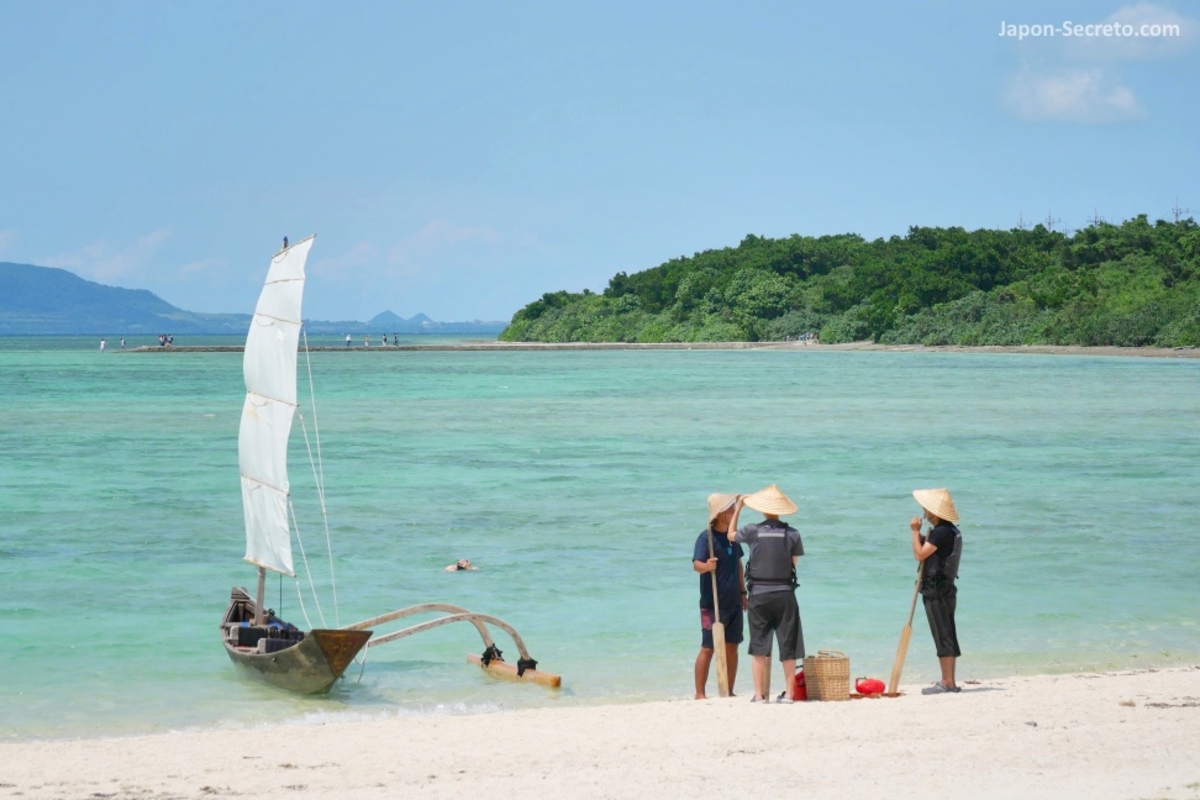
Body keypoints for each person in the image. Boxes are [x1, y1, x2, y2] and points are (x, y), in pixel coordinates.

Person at [726, 484, 804, 703]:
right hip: (785, 594)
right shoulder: (792, 533)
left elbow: (731, 535)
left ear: (761, 509)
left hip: (759, 594)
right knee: (788, 644)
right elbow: (794, 562)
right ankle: (789, 694)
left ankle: (759, 695)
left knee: (759, 645)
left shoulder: (752, 530)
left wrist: (739, 507)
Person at [692, 493, 746, 699]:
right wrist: (707, 566)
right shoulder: (706, 537)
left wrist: (743, 592)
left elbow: (739, 566)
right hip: (712, 603)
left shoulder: (733, 538)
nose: (734, 513)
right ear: (721, 514)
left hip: (733, 602)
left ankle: (728, 691)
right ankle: (700, 693)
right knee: (708, 647)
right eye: (731, 509)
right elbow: (696, 565)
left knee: (733, 647)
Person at [910, 488, 963, 695]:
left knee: (943, 635)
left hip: (938, 590)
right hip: (945, 589)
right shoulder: (949, 531)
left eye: (926, 509)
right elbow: (932, 551)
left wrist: (914, 532)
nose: (923, 512)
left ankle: (947, 682)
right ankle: (949, 680)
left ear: (934, 511)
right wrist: (923, 538)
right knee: (946, 632)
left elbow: (920, 555)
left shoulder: (941, 532)